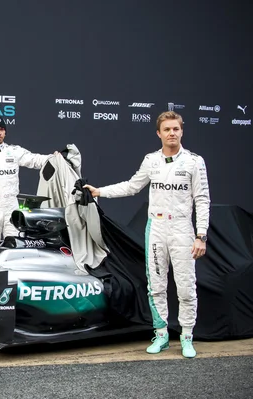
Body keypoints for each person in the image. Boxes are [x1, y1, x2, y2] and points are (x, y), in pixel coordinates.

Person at [83, 111, 210, 358]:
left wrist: (201, 235)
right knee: (156, 287)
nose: (172, 133)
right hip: (157, 229)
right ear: (159, 134)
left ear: (181, 131)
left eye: (175, 129)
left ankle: (186, 337)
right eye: (167, 130)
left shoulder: (195, 162)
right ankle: (161, 334)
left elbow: (202, 199)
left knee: (186, 288)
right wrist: (99, 192)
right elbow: (132, 186)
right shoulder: (151, 160)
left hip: (183, 230)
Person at [0, 116, 54, 241]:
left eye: (2, 129)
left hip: (12, 207)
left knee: (14, 249)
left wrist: (55, 158)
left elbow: (36, 160)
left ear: (5, 132)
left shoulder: (14, 151)